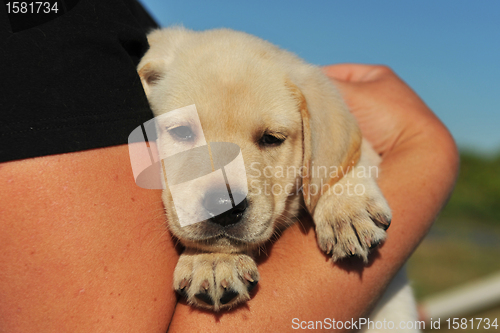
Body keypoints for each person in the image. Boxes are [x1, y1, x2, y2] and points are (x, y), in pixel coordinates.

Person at [0, 1, 459, 331]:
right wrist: (425, 149)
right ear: (145, 84)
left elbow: (344, 153)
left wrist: (342, 189)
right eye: (183, 133)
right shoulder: (141, 63)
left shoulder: (314, 110)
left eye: (269, 139)